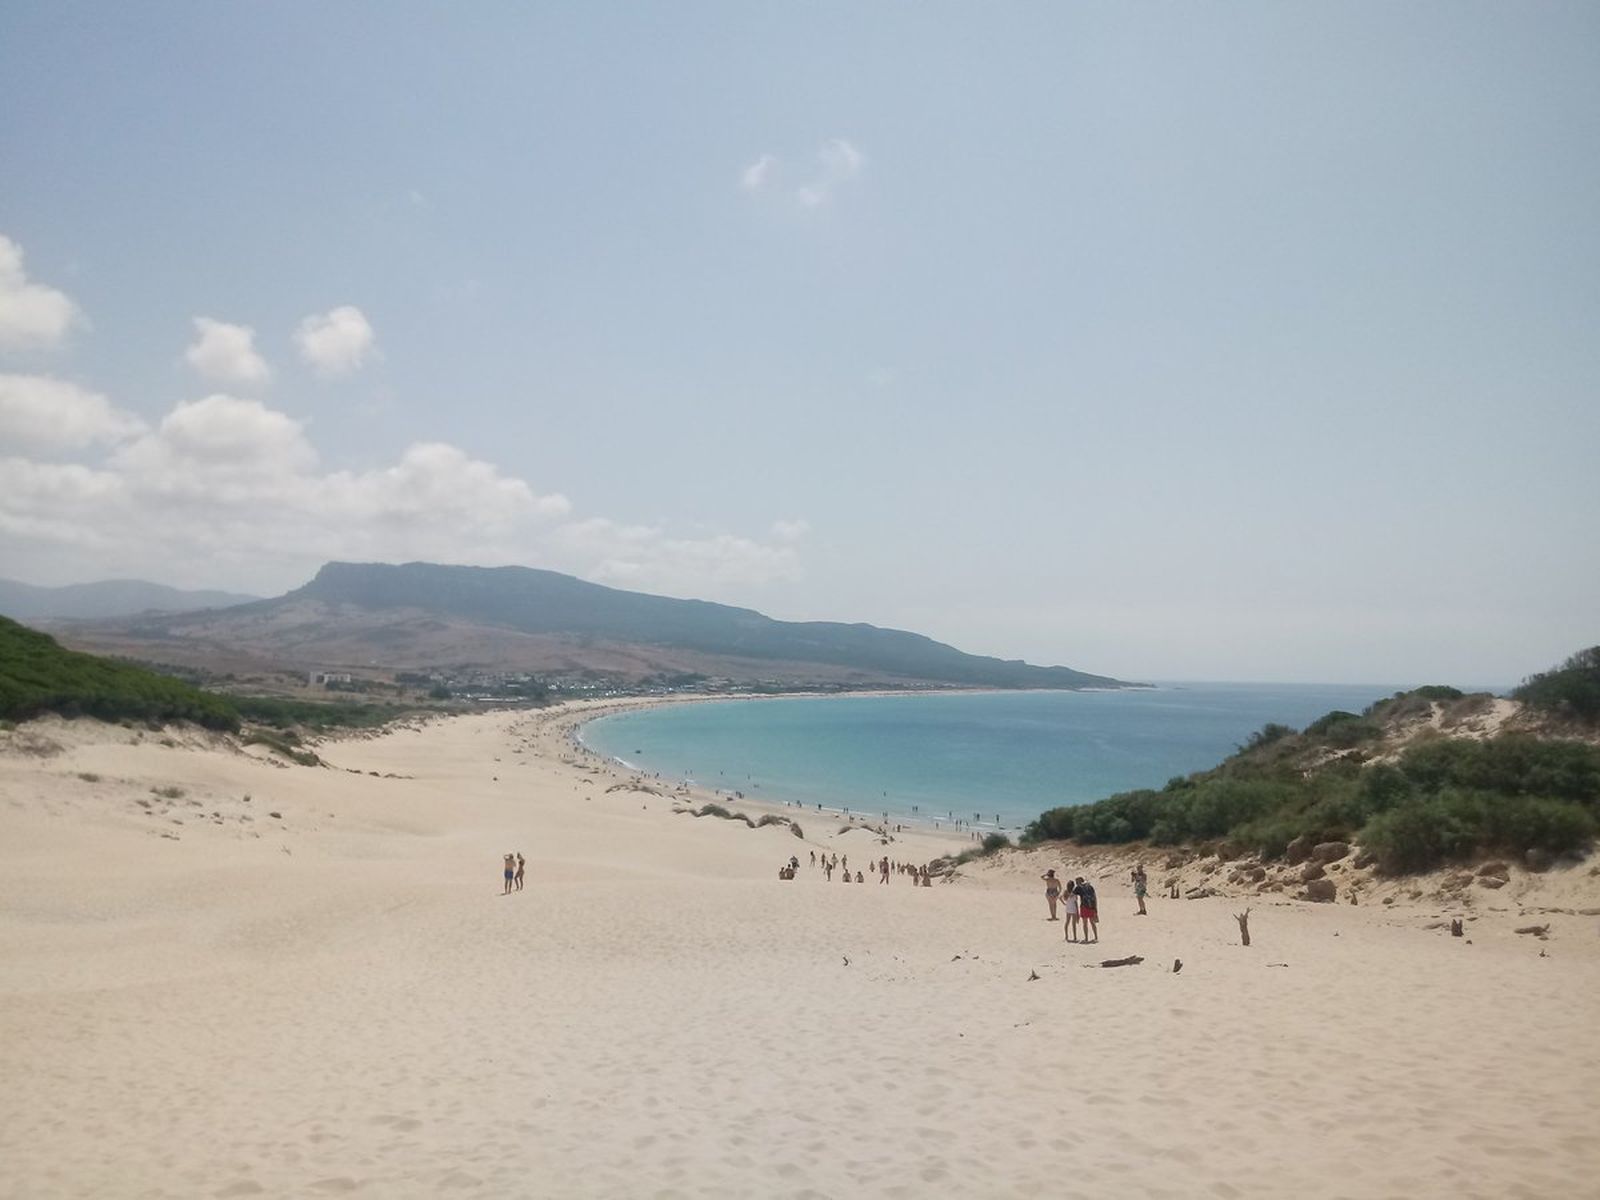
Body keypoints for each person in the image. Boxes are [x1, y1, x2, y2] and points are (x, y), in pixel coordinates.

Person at [1074, 877, 1099, 943]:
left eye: (1076, 882)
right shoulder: (1090, 886)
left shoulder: (1078, 887)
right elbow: (1094, 897)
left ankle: (1086, 938)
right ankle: (1096, 937)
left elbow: (1072, 894)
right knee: (1092, 922)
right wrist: (1095, 908)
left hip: (1084, 906)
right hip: (1091, 906)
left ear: (1079, 881)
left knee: (1085, 923)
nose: (1076, 883)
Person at [1063, 877, 1081, 941]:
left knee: (1067, 923)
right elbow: (1076, 903)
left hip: (1068, 909)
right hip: (1073, 909)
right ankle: (1075, 937)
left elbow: (1062, 898)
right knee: (1073, 924)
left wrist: (1064, 903)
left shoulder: (1065, 892)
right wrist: (1078, 912)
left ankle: (1066, 936)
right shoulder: (1074, 893)